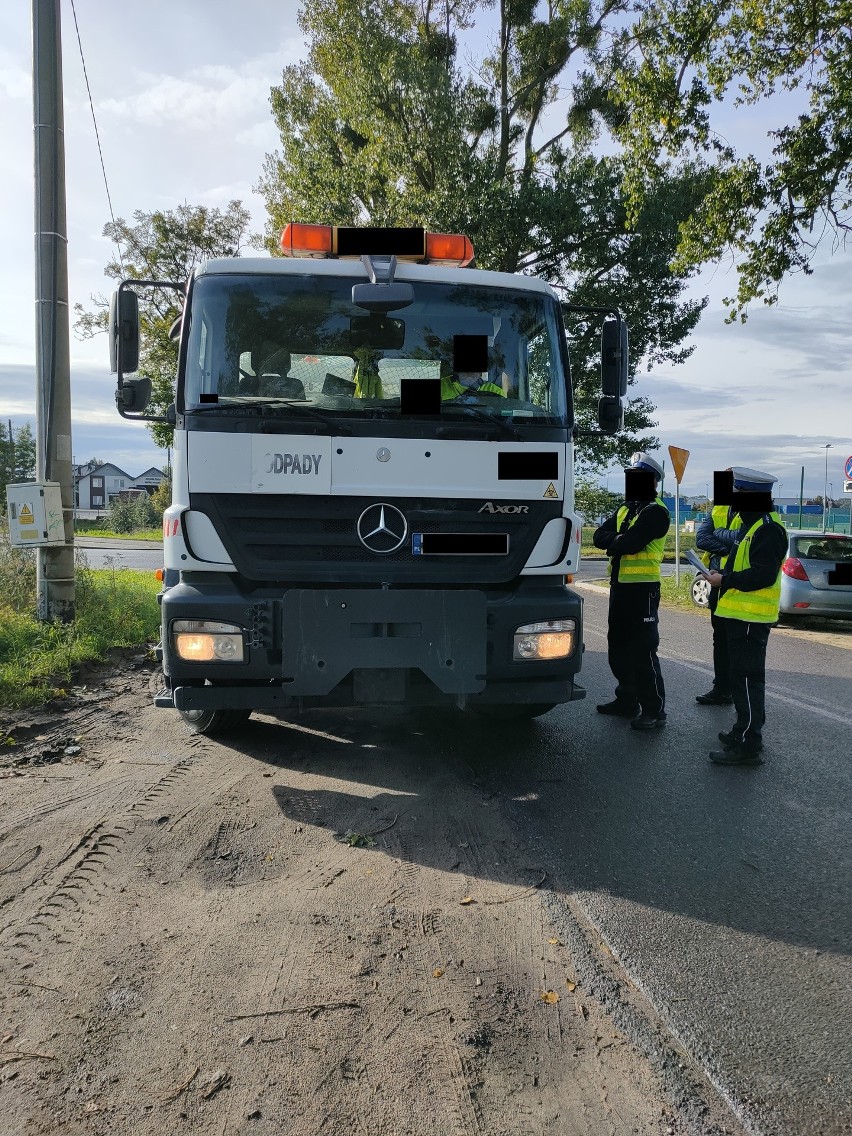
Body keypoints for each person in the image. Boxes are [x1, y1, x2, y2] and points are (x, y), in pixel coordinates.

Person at [702, 468, 787, 765]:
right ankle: (742, 730)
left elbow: (763, 575)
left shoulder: (768, 529)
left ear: (753, 497)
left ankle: (750, 744)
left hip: (752, 619)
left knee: (749, 681)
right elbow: (740, 566)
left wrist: (725, 581)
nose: (734, 499)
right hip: (738, 616)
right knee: (740, 679)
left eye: (739, 493)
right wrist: (721, 575)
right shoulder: (750, 526)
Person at [593, 452, 671, 730]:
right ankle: (627, 699)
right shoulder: (626, 508)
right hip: (621, 588)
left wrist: (615, 541)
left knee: (643, 650)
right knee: (618, 646)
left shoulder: (656, 512)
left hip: (643, 591)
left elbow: (630, 544)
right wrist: (618, 540)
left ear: (650, 481)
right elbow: (598, 536)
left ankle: (654, 710)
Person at [694, 478, 742, 705]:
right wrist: (729, 547)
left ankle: (738, 693)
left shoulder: (754, 509)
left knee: (737, 641)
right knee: (719, 639)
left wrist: (721, 534)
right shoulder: (719, 508)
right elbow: (701, 538)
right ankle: (721, 688)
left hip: (737, 582)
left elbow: (744, 538)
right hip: (716, 582)